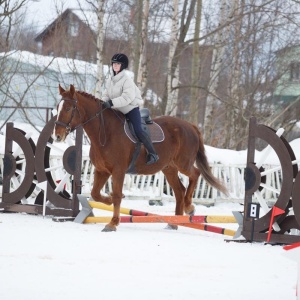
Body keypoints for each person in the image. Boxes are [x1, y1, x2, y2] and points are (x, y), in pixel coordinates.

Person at [102, 53, 159, 165]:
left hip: (130, 109)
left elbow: (127, 98)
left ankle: (153, 154)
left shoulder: (126, 80)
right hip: (116, 109)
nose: (115, 65)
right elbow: (106, 94)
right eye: (114, 63)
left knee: (138, 129)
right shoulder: (110, 80)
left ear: (123, 66)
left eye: (118, 64)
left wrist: (111, 103)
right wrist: (103, 102)